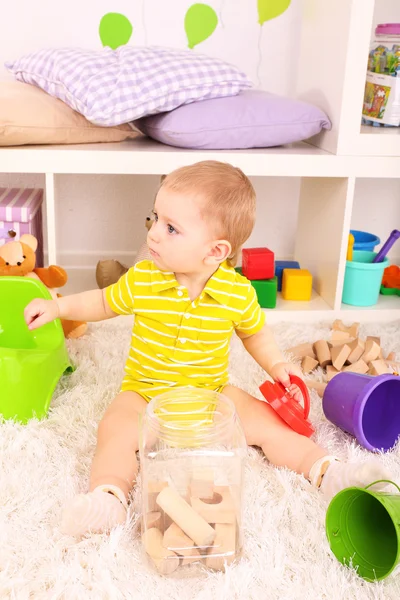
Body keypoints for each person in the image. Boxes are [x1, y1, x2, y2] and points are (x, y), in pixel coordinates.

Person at [24, 161, 390, 537]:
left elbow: (254, 335)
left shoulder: (236, 292)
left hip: (211, 393)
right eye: (154, 218)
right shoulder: (144, 278)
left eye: (170, 228)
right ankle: (109, 498)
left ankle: (327, 472)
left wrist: (278, 365)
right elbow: (102, 303)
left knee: (269, 423)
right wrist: (57, 307)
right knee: (114, 429)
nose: (153, 234)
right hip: (145, 393)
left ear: (215, 251)